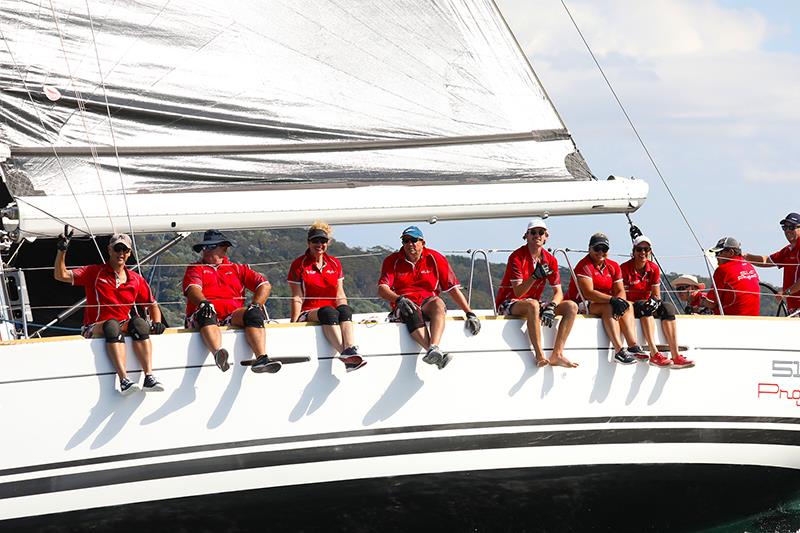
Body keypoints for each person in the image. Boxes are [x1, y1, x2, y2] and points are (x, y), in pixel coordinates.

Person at [54, 230, 166, 395]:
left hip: (121, 324)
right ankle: (124, 380)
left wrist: (157, 323)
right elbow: (60, 275)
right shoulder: (94, 272)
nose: (121, 253)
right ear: (109, 250)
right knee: (112, 326)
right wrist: (61, 251)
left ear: (129, 253)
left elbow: (152, 304)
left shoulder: (135, 279)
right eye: (117, 249)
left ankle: (149, 376)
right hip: (93, 326)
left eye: (125, 250)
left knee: (140, 323)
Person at [378, 225, 480, 369]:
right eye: (405, 241)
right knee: (410, 309)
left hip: (427, 300)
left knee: (438, 303)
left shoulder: (435, 258)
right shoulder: (392, 261)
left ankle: (434, 347)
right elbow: (382, 289)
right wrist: (398, 299)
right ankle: (433, 353)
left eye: (413, 240)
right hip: (404, 302)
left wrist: (469, 313)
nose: (409, 244)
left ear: (422, 242)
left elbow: (452, 289)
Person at [183, 229, 281, 374]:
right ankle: (218, 353)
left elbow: (264, 285)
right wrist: (203, 302)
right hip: (204, 314)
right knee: (207, 311)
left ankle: (261, 358)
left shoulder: (237, 269)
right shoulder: (195, 268)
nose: (206, 251)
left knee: (253, 313)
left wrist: (256, 305)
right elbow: (193, 289)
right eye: (205, 248)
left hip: (231, 315)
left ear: (224, 249)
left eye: (211, 247)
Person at [495, 217, 578, 368]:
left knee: (571, 307)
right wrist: (534, 276)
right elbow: (518, 292)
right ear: (526, 236)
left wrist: (552, 306)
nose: (537, 235)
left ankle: (557, 354)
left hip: (532, 302)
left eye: (541, 232)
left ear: (546, 237)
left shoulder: (550, 260)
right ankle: (540, 355)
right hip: (509, 301)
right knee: (533, 305)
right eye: (533, 232)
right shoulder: (516, 257)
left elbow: (558, 292)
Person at [288, 222, 366, 372]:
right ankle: (344, 354)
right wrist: (294, 323)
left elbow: (340, 294)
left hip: (332, 310)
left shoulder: (334, 264)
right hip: (309, 311)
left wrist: (343, 308)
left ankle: (350, 349)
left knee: (344, 310)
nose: (319, 244)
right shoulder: (299, 264)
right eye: (315, 241)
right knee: (328, 312)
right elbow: (297, 295)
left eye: (323, 241)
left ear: (328, 243)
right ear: (308, 242)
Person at [566, 232, 645, 365]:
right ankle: (619, 351)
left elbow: (620, 290)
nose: (601, 252)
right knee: (609, 307)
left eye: (604, 249)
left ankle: (632, 346)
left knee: (628, 305)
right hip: (583, 303)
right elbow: (588, 293)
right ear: (589, 249)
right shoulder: (584, 266)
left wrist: (620, 301)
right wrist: (613, 300)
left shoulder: (613, 266)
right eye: (597, 249)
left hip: (604, 300)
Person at [620, 236, 695, 369]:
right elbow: (621, 297)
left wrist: (655, 301)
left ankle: (675, 355)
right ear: (633, 252)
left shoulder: (653, 268)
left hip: (645, 304)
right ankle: (654, 354)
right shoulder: (624, 269)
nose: (643, 253)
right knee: (644, 306)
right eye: (639, 249)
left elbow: (656, 294)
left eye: (646, 249)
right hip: (631, 304)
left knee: (668, 308)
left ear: (650, 251)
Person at [743, 212, 800, 317]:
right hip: (793, 306)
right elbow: (766, 261)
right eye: (785, 227)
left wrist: (785, 292)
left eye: (791, 227)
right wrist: (744, 256)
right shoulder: (788, 250)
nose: (787, 230)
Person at [703, 237, 760, 316]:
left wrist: (700, 299)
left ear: (731, 252)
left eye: (718, 253)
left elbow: (711, 303)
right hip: (754, 319)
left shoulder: (722, 270)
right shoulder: (749, 266)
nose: (716, 257)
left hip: (731, 321)